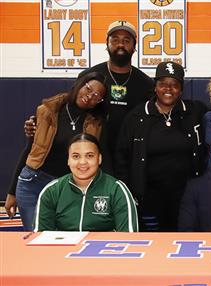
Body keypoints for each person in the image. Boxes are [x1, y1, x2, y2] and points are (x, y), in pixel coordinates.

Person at [24, 20, 155, 156]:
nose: (120, 44)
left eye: (126, 41)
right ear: (107, 43)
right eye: (115, 40)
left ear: (134, 46)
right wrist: (38, 124)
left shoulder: (146, 84)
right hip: (92, 153)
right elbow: (68, 110)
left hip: (130, 154)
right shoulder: (88, 76)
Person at [5, 72, 108, 231]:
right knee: (36, 235)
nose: (90, 96)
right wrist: (12, 192)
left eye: (96, 96)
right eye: (88, 89)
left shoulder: (97, 124)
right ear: (79, 84)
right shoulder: (47, 111)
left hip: (68, 186)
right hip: (33, 183)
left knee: (66, 238)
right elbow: (30, 149)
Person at [114, 61, 207, 231]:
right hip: (149, 196)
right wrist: (128, 192)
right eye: (162, 84)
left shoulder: (195, 112)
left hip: (186, 194)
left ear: (181, 88)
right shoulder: (137, 116)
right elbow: (122, 158)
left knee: (184, 241)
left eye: (174, 85)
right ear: (155, 86)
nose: (168, 89)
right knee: (155, 244)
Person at [34, 133, 138, 232]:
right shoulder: (51, 191)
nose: (82, 162)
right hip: (63, 250)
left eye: (89, 156)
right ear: (68, 160)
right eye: (76, 156)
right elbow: (41, 237)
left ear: (99, 159)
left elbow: (129, 237)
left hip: (104, 249)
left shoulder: (117, 190)